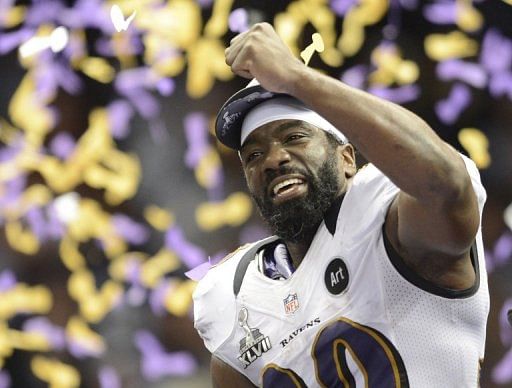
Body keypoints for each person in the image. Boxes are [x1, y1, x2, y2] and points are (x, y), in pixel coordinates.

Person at [193, 23, 489, 387]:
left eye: (294, 137)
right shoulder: (233, 297)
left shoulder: (386, 218)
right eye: (254, 155)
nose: (273, 159)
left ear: (347, 158)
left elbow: (444, 185)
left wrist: (295, 78)